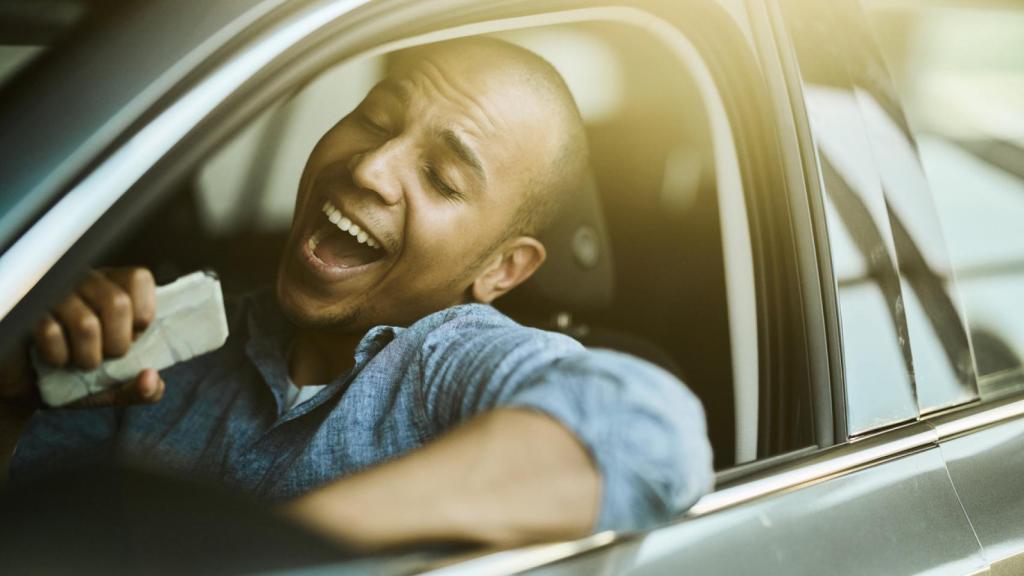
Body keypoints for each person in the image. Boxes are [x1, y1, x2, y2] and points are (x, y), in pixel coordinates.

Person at [0, 37, 713, 551]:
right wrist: (17, 382)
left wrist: (274, 549)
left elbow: (647, 433)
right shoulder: (177, 339)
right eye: (375, 119)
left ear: (502, 269)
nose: (371, 167)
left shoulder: (452, 361)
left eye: (440, 178)